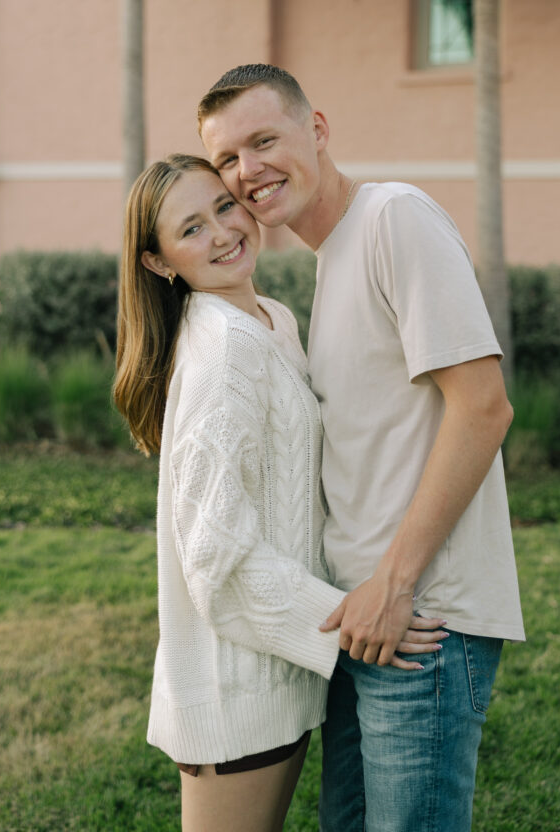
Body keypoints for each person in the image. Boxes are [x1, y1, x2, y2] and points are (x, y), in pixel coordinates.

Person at [198, 65, 526, 832]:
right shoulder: (332, 256)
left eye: (263, 140)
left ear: (316, 129)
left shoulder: (392, 218)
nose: (247, 170)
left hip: (421, 622)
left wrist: (394, 582)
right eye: (226, 159)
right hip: (361, 618)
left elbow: (482, 406)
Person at [113, 154, 444, 832]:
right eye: (191, 229)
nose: (222, 233)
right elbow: (217, 558)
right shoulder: (223, 354)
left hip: (278, 673)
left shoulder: (270, 320)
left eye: (224, 207)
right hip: (234, 686)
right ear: (158, 262)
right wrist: (347, 620)